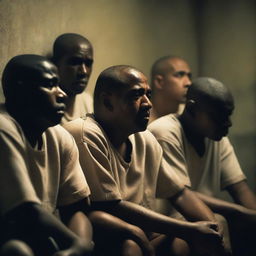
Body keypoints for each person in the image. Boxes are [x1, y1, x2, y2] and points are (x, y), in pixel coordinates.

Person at [63, 65, 228, 256]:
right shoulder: (85, 134)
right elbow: (109, 207)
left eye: (148, 94)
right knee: (132, 246)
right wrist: (188, 229)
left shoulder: (144, 138)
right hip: (109, 238)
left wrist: (212, 228)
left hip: (145, 236)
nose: (148, 103)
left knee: (210, 226)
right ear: (107, 102)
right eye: (136, 95)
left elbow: (179, 193)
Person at [148, 77, 256, 256]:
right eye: (219, 116)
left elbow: (240, 189)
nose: (228, 123)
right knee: (216, 225)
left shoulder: (216, 136)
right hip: (167, 226)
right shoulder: (164, 132)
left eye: (229, 115)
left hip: (202, 221)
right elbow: (180, 194)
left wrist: (251, 215)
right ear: (191, 109)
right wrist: (240, 213)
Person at [0, 54, 94, 256]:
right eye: (50, 85)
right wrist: (76, 246)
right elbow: (25, 211)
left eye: (58, 84)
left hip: (39, 241)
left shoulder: (59, 136)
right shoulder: (3, 126)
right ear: (20, 90)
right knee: (16, 250)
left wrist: (78, 247)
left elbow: (75, 209)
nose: (62, 94)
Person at [52, 33, 94, 124]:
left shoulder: (87, 101)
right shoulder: (47, 111)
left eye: (88, 64)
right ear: (55, 65)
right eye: (75, 62)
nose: (84, 71)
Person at [149, 56, 192, 123]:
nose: (188, 83)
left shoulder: (190, 116)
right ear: (159, 82)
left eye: (189, 76)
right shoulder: (139, 119)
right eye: (180, 75)